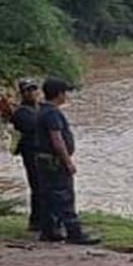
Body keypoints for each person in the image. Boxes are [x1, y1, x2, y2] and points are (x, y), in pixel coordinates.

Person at [35, 77, 99, 246]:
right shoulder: (52, 113)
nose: (66, 97)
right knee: (64, 196)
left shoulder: (41, 110)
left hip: (43, 161)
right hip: (55, 162)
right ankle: (74, 233)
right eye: (65, 93)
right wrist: (68, 162)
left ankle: (49, 231)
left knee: (48, 196)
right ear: (59, 94)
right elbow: (57, 139)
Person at [0, 79, 43, 231]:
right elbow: (33, 127)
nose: (31, 93)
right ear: (22, 93)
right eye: (27, 90)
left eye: (34, 89)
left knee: (43, 186)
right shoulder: (22, 112)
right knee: (38, 186)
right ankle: (36, 221)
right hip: (31, 153)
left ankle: (43, 219)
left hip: (40, 152)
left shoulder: (39, 108)